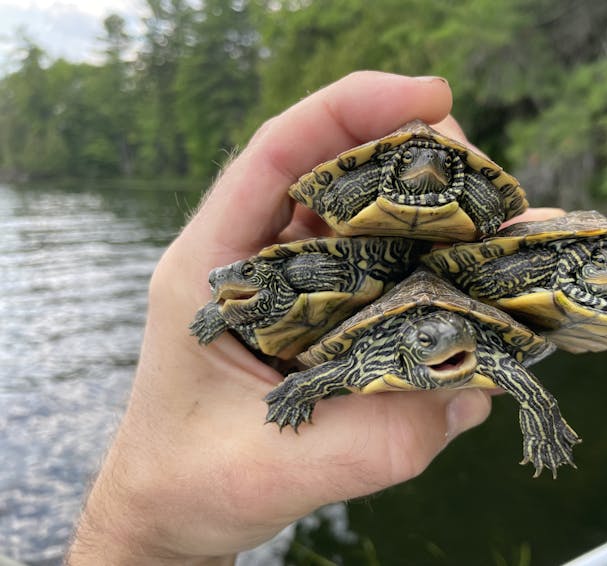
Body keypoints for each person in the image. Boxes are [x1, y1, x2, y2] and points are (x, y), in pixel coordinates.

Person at [65, 71, 562, 565]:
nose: (427, 163)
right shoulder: (297, 272)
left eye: (437, 161)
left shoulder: (449, 287)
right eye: (413, 159)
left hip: (417, 280)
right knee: (295, 279)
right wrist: (146, 535)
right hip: (365, 279)